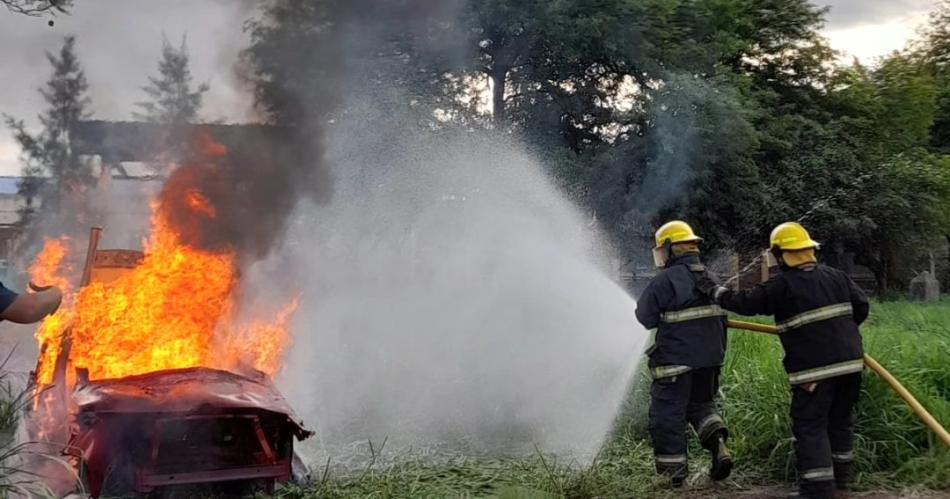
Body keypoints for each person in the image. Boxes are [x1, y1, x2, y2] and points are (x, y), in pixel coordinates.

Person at [699, 222, 868, 499]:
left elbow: (745, 303)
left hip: (814, 372)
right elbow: (861, 307)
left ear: (780, 254)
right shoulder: (837, 276)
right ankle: (841, 483)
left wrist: (714, 291)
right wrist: (842, 335)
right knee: (840, 421)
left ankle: (817, 490)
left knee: (810, 426)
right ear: (809, 250)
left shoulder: (783, 285)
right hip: (851, 364)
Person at [635, 220, 733, 488]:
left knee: (667, 415)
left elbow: (644, 317)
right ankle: (718, 444)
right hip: (710, 361)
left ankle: (673, 476)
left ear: (669, 248)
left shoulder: (665, 281)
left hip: (675, 363)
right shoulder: (710, 278)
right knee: (701, 407)